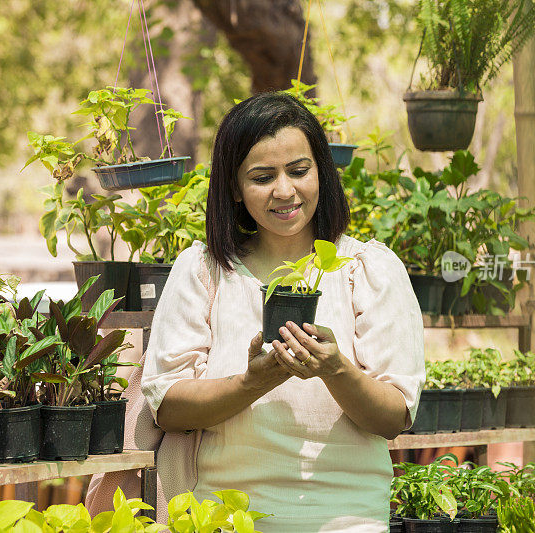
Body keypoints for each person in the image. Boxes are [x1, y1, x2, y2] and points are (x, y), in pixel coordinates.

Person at [89, 92, 425, 532]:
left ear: (321, 170)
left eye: (299, 171)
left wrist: (335, 369)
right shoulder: (205, 271)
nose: (285, 190)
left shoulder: (367, 270)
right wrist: (254, 381)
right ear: (234, 186)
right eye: (263, 177)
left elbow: (395, 416)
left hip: (347, 519)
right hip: (224, 518)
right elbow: (167, 406)